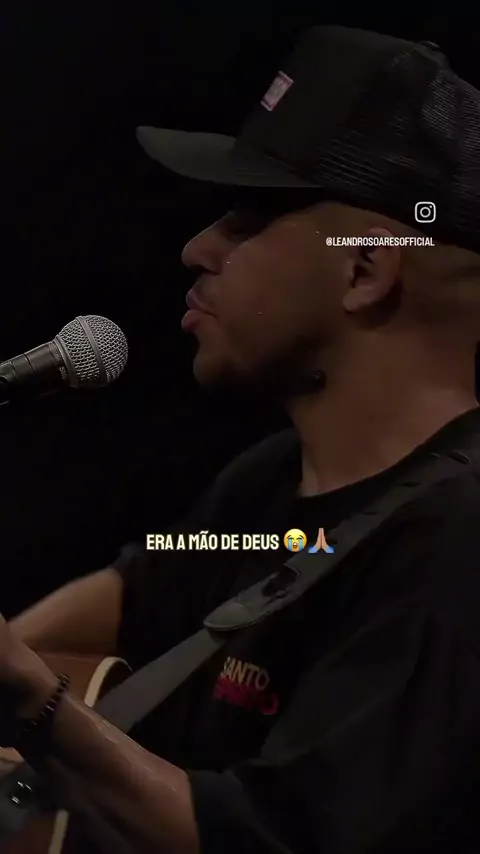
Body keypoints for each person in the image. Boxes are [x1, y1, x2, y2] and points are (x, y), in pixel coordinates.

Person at [5, 24, 480, 854]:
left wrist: (32, 703)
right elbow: (133, 594)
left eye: (248, 216)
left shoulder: (457, 545)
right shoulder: (268, 488)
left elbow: (274, 841)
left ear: (365, 270)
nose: (197, 248)